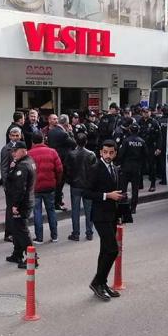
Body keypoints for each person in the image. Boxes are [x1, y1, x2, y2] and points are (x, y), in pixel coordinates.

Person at [84, 139, 124, 302]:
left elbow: (115, 192)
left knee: (105, 251)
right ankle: (97, 282)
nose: (108, 155)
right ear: (100, 152)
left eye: (111, 152)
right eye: (105, 152)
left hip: (112, 214)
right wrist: (107, 195)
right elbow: (86, 193)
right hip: (100, 215)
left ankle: (102, 283)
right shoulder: (95, 168)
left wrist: (120, 208)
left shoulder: (114, 168)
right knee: (113, 250)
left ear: (115, 153)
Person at [4, 141, 36, 268]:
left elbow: (20, 188)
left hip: (21, 203)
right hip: (25, 200)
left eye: (15, 151)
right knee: (17, 229)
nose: (13, 154)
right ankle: (17, 254)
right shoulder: (28, 161)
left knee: (22, 230)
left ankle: (33, 259)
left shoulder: (23, 166)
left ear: (23, 150)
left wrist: (15, 205)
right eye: (12, 151)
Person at [29, 132, 63, 244]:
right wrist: (56, 182)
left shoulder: (29, 154)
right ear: (43, 140)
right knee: (51, 211)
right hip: (50, 186)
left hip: (36, 187)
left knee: (37, 212)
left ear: (33, 142)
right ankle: (54, 236)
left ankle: (39, 237)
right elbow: (59, 169)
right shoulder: (52, 152)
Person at [65, 132, 97, 241]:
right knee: (89, 210)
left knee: (75, 210)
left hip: (75, 185)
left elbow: (67, 170)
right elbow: (94, 171)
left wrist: (70, 181)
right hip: (88, 186)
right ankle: (89, 233)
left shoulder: (71, 154)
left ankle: (76, 233)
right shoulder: (91, 154)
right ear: (86, 141)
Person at [47, 113, 75, 210]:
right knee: (60, 183)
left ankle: (55, 200)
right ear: (66, 123)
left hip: (52, 159)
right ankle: (57, 202)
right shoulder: (64, 133)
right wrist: (70, 132)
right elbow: (74, 144)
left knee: (55, 182)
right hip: (62, 161)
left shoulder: (51, 132)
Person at [117, 122, 146, 213]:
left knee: (123, 188)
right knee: (135, 189)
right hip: (136, 168)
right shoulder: (142, 141)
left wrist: (119, 163)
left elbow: (121, 154)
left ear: (129, 130)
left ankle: (123, 206)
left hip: (126, 167)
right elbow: (145, 155)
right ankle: (133, 208)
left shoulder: (126, 141)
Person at [0, 127, 22, 242]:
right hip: (10, 183)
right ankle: (8, 233)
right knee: (10, 209)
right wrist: (6, 183)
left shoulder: (22, 147)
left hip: (20, 182)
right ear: (9, 136)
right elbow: (3, 168)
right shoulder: (6, 149)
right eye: (12, 135)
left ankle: (17, 232)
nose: (15, 138)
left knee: (18, 208)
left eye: (17, 135)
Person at [138, 107, 162, 192]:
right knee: (139, 166)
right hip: (140, 147)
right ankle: (140, 184)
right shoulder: (139, 121)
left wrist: (159, 148)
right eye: (144, 112)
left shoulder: (154, 122)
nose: (145, 113)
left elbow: (159, 136)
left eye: (147, 112)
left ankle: (152, 185)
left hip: (151, 147)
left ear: (150, 112)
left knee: (152, 166)